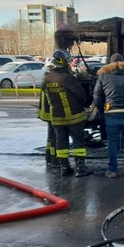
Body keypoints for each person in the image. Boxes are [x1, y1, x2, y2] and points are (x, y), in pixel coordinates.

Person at [93, 53, 124, 178]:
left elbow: (97, 95)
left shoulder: (103, 76)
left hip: (111, 113)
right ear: (123, 62)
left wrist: (102, 109)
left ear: (109, 63)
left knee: (112, 142)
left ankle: (112, 170)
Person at [43, 49, 92, 177]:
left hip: (57, 118)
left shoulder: (47, 78)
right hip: (74, 117)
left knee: (61, 142)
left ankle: (64, 167)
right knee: (78, 142)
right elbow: (81, 95)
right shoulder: (67, 78)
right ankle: (80, 168)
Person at [38, 62, 58, 169]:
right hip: (52, 111)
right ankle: (54, 159)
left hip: (47, 111)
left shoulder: (47, 76)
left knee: (51, 136)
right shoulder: (51, 78)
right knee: (54, 136)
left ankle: (49, 158)